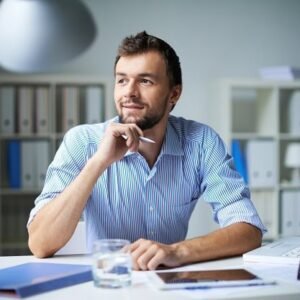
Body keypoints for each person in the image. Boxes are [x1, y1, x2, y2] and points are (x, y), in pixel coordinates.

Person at [28, 31, 266, 270]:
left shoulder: (201, 142)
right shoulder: (82, 141)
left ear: (174, 93)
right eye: (122, 80)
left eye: (145, 81)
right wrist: (99, 161)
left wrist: (177, 251)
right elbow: (40, 244)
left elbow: (248, 230)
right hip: (107, 284)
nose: (129, 92)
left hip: (169, 285)